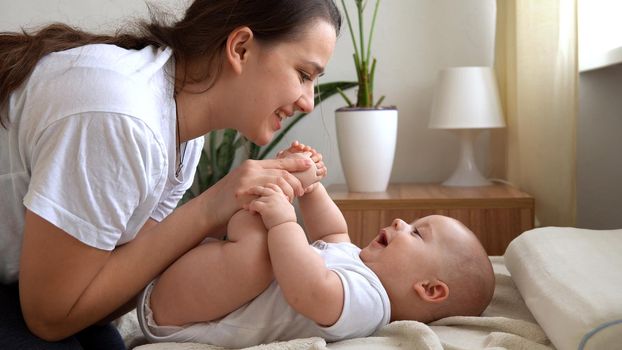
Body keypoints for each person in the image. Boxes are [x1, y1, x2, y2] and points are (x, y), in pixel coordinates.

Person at [0, 1, 341, 348]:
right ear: (240, 48)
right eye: (303, 74)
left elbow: (112, 283)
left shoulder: (181, 137)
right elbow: (49, 316)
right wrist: (210, 210)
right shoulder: (121, 116)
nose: (308, 102)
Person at [137, 142, 496, 349]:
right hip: (197, 289)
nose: (402, 222)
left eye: (417, 234)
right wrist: (311, 187)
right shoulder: (358, 264)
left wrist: (284, 220)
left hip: (185, 312)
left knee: (260, 248)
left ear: (429, 289)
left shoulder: (370, 304)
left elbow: (309, 290)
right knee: (257, 230)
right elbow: (333, 231)